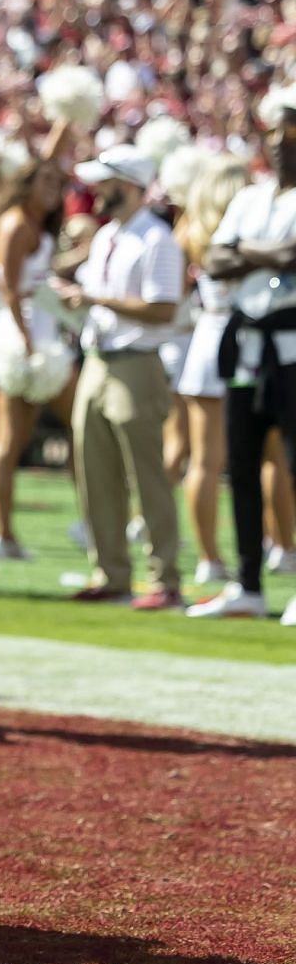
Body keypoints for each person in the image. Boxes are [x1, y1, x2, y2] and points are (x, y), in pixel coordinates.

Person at [53, 145, 183, 607]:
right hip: (98, 359)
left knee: (147, 475)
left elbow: (163, 309)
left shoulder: (157, 240)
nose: (95, 192)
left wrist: (92, 300)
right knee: (95, 472)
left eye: (104, 183)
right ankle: (111, 572)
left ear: (127, 185)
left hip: (136, 364)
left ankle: (165, 578)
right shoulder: (109, 235)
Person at [188, 85, 296, 622]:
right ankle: (249, 582)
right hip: (247, 338)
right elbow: (214, 257)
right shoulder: (251, 197)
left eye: (291, 131)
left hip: (292, 342)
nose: (281, 143)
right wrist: (267, 256)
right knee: (242, 461)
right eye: (275, 133)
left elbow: (291, 255)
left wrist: (246, 256)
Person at [0, 158, 70, 560]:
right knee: (9, 439)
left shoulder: (36, 222)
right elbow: (9, 289)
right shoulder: (15, 223)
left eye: (58, 181)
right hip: (22, 336)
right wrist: (29, 344)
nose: (54, 188)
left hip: (43, 329)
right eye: (45, 181)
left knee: (21, 436)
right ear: (27, 183)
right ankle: (2, 533)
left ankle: (6, 532)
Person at [174, 155, 250, 591]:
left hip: (207, 333)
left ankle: (208, 558)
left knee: (203, 459)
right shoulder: (253, 223)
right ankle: (281, 545)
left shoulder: (192, 227)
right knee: (267, 454)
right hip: (246, 334)